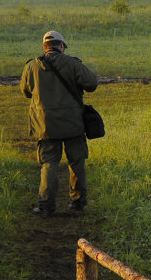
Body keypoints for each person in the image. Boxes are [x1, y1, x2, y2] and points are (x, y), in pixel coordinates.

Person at [19, 30, 100, 217]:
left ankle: (46, 205)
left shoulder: (32, 66)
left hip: (46, 125)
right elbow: (92, 83)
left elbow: (26, 91)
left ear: (44, 47)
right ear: (61, 46)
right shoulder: (72, 63)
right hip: (73, 123)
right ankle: (78, 202)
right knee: (77, 161)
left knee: (49, 164)